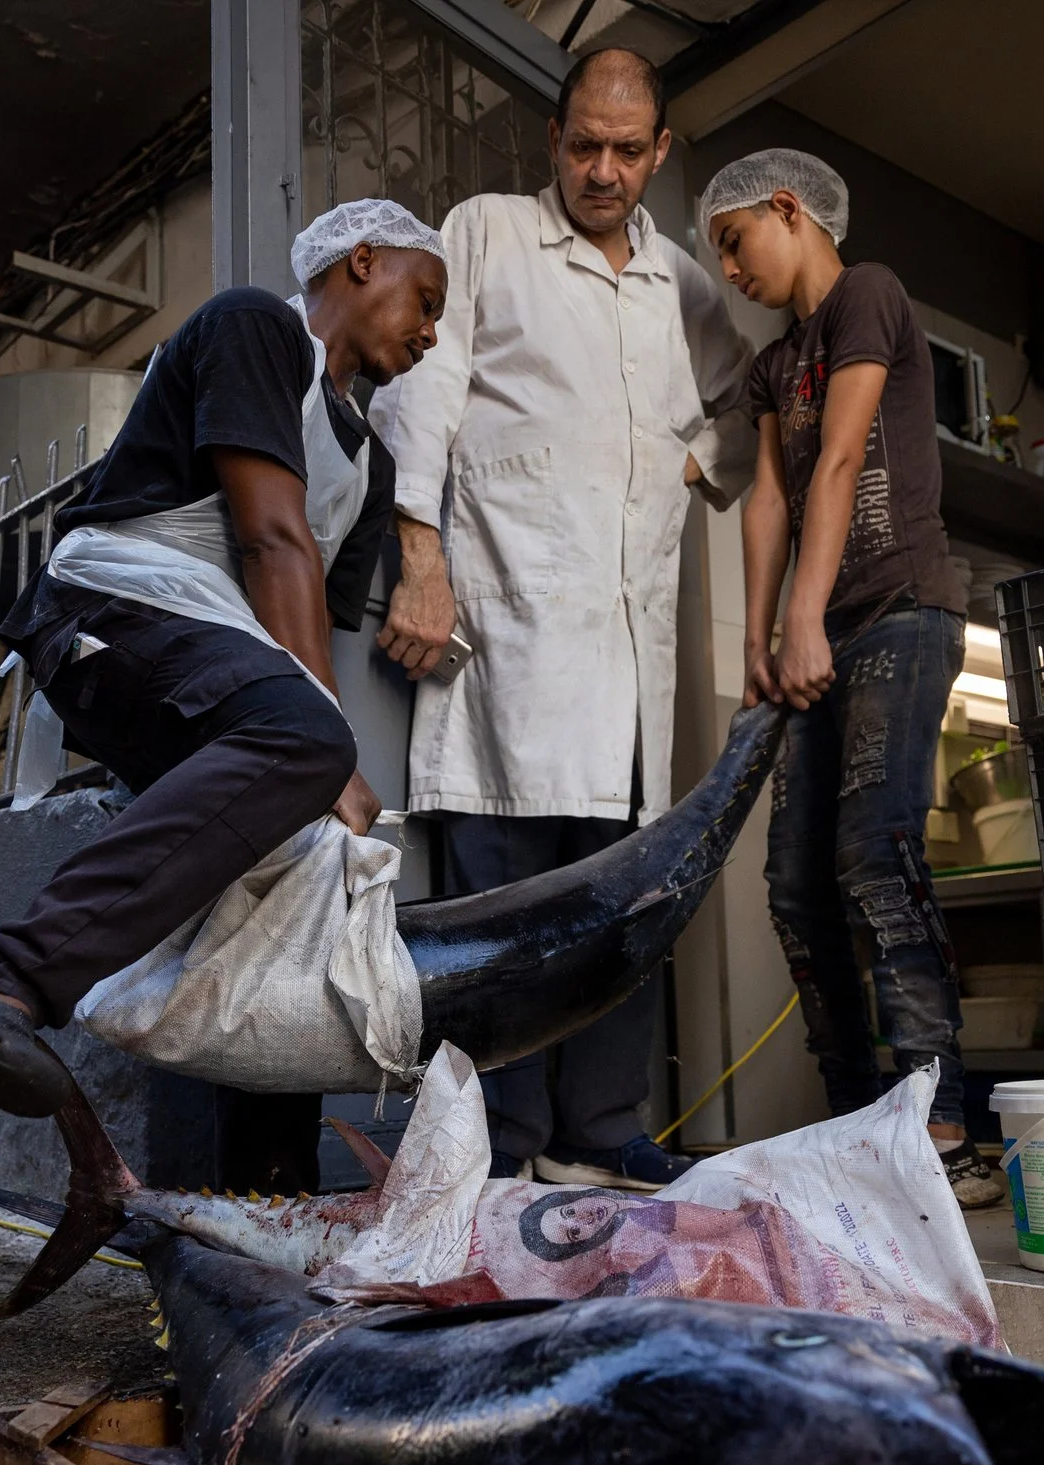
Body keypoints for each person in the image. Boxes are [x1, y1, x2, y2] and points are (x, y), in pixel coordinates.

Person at [0, 201, 448, 1133]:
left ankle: (265, 1197)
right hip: (112, 611)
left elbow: (307, 607)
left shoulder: (371, 466)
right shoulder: (253, 325)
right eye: (423, 299)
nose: (432, 331)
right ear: (360, 263)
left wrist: (318, 761)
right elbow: (274, 544)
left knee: (277, 864)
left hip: (216, 655)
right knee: (305, 743)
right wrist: (328, 749)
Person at [368, 48, 758, 1192]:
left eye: (625, 150)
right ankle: (505, 1145)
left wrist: (695, 466)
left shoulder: (682, 282)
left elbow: (744, 409)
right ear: (552, 141)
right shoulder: (486, 230)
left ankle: (602, 1128)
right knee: (504, 907)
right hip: (505, 634)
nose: (601, 169)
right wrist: (419, 556)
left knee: (621, 899)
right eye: (582, 144)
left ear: (659, 153)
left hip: (625, 648)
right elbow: (422, 392)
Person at [703, 149, 1003, 1209]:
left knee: (873, 856)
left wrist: (800, 618)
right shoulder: (770, 367)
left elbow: (839, 460)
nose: (730, 270)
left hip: (899, 613)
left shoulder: (866, 295)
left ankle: (941, 1124)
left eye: (734, 242)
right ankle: (849, 1124)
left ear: (789, 209)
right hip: (816, 636)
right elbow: (770, 502)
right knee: (793, 884)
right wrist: (757, 641)